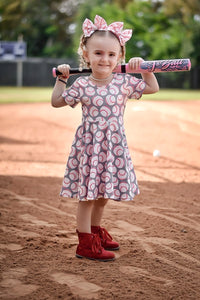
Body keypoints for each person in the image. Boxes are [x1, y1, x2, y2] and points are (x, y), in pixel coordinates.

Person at [51, 15, 159, 261]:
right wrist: (61, 80)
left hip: (113, 147)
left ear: (119, 57)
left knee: (102, 195)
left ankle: (96, 232)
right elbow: (57, 102)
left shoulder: (123, 82)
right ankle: (85, 243)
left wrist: (145, 70)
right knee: (88, 195)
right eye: (98, 53)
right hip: (90, 147)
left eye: (111, 55)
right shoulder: (81, 85)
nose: (105, 59)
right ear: (86, 54)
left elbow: (152, 88)